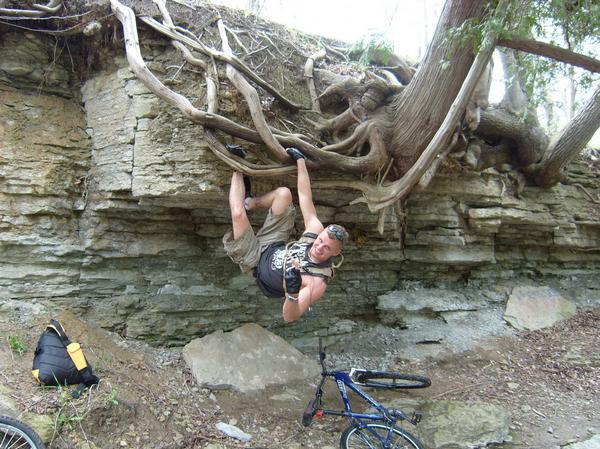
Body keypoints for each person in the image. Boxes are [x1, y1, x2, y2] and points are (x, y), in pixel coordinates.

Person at [222, 147, 349, 322]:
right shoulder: (315, 231)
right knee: (284, 194)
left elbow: (289, 317)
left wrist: (292, 291)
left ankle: (237, 166)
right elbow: (305, 196)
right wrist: (301, 161)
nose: (319, 247)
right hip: (274, 243)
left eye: (327, 248)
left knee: (237, 214)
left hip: (255, 261)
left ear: (335, 254)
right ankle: (250, 202)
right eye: (320, 240)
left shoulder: (317, 282)